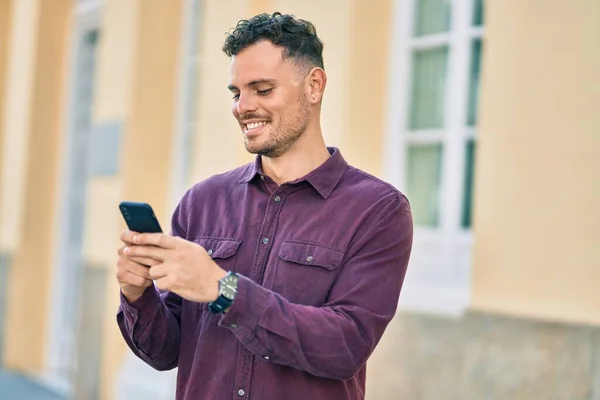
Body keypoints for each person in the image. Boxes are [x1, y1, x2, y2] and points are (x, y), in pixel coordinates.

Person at [116, 12, 413, 400]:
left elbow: (345, 346)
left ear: (314, 86)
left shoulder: (378, 210)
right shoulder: (201, 203)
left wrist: (224, 290)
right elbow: (166, 352)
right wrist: (137, 294)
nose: (243, 107)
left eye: (262, 89)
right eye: (236, 93)